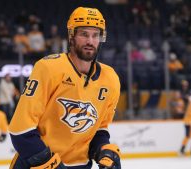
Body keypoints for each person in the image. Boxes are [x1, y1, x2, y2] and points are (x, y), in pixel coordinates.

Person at [9, 7, 121, 169]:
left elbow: (98, 129)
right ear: (71, 35)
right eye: (84, 34)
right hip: (36, 164)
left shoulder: (110, 79)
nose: (90, 41)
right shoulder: (49, 68)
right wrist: (50, 164)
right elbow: (21, 130)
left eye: (95, 35)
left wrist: (103, 150)